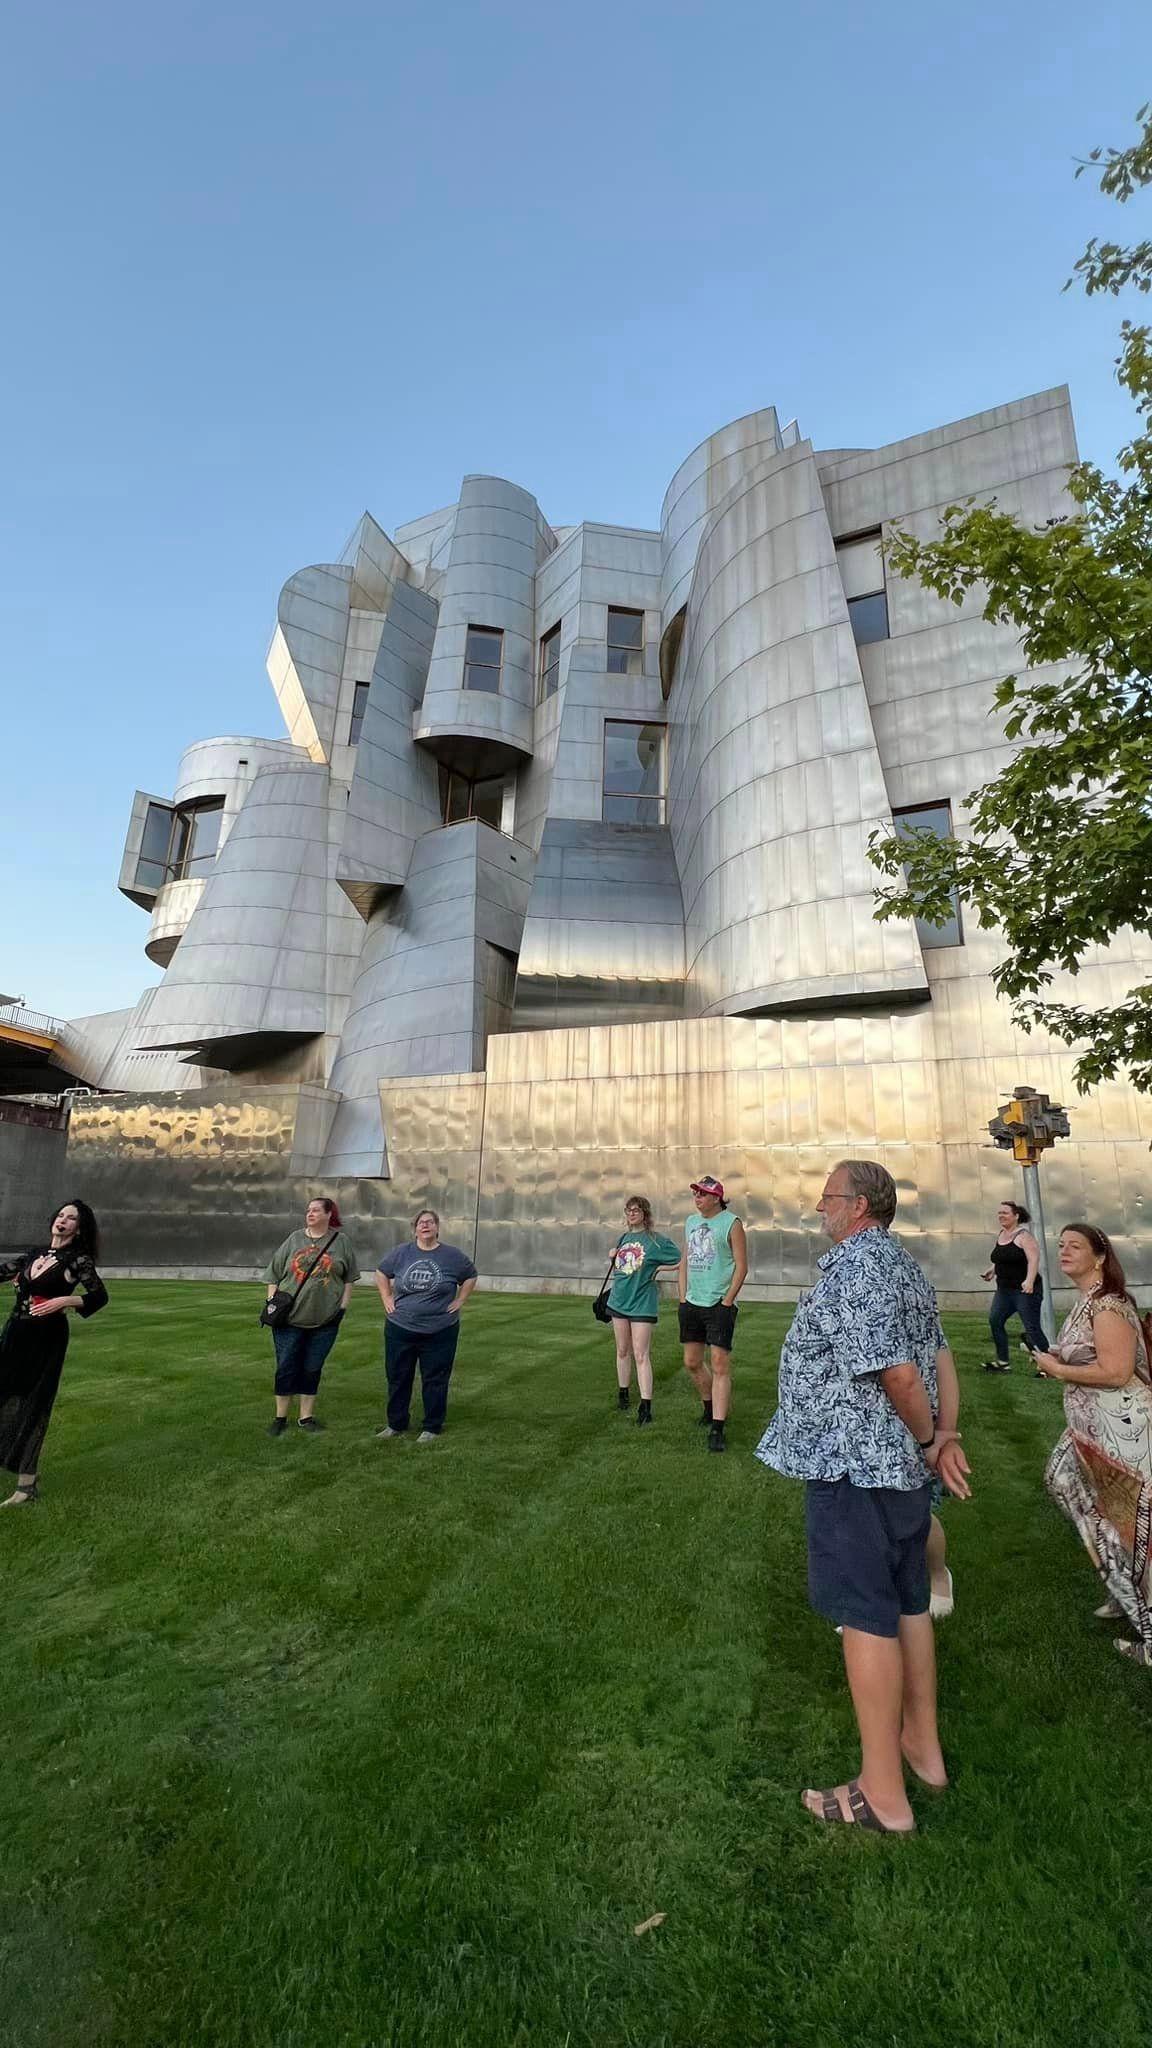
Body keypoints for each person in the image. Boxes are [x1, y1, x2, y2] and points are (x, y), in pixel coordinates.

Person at [755, 1160, 972, 1834]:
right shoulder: (903, 1266)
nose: (820, 1206)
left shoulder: (857, 1267)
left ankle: (882, 1795)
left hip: (857, 1468)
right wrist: (941, 1438)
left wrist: (930, 1434)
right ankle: (922, 1751)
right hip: (898, 1469)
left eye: (827, 1196)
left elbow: (902, 1375)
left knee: (867, 1614)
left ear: (858, 1206)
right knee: (909, 1600)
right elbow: (940, 1357)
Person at [1034, 1222, 1152, 1667]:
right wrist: (1058, 1359)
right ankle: (1122, 1587)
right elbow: (1091, 1356)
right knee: (1068, 1485)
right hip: (1093, 1429)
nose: (1063, 1251)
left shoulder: (1108, 1304)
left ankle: (1144, 1620)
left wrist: (1060, 1369)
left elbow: (1117, 1372)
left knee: (1131, 1528)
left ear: (1099, 1255)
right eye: (1060, 1245)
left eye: (1074, 1245)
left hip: (1124, 1433)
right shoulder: (1086, 1302)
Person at [0, 1199, 108, 1506]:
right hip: (15, 1333)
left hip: (46, 1338)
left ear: (79, 1228)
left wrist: (64, 1302)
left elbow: (99, 1296)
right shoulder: (34, 1254)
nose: (62, 1221)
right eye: (60, 1215)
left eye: (71, 1218)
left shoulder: (78, 1260)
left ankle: (25, 1487)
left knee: (34, 1405)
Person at [376, 1210, 477, 1442]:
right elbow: (381, 1273)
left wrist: (460, 1300)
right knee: (398, 1377)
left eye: (430, 1222)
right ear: (415, 1229)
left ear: (437, 1227)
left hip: (440, 1330)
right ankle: (396, 1424)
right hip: (400, 1327)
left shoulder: (452, 1255)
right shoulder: (402, 1253)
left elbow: (471, 1275)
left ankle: (432, 1426)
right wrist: (387, 1297)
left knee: (435, 1379)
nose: (425, 1226)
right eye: (421, 1223)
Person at [263, 1198, 360, 1435]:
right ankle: (280, 1418)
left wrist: (342, 1310)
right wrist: (272, 1304)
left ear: (329, 1214)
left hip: (325, 1321)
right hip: (289, 1319)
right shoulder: (295, 1238)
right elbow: (274, 1274)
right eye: (308, 1210)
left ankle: (306, 1418)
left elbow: (349, 1279)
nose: (310, 1213)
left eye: (316, 1210)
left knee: (312, 1367)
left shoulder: (341, 1242)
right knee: (286, 1367)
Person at [678, 1175, 747, 1454]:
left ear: (716, 1198)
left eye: (703, 1194)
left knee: (719, 1365)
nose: (698, 1199)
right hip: (692, 1303)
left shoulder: (732, 1223)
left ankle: (717, 1427)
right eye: (695, 1194)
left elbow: (741, 1267)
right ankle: (708, 1408)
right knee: (692, 1362)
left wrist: (727, 1302)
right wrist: (682, 1297)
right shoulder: (691, 1223)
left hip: (718, 1304)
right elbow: (685, 1261)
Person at [605, 1196, 681, 1426]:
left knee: (641, 1353)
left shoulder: (656, 1241)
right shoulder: (624, 1237)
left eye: (636, 1210)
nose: (631, 1214)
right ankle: (623, 1393)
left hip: (641, 1303)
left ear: (645, 1214)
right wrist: (613, 1255)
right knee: (622, 1350)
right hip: (619, 1300)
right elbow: (623, 1267)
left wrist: (659, 1268)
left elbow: (681, 1259)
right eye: (628, 1210)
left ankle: (646, 1406)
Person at [981, 1200, 1049, 1372]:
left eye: (1005, 1213)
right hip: (1004, 1290)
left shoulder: (1024, 1236)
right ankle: (1003, 1362)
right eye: (999, 1213)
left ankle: (1048, 1366)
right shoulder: (1002, 1235)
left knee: (1032, 1327)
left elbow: (1033, 1259)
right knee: (995, 1320)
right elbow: (1003, 1258)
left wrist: (1029, 1281)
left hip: (1024, 1291)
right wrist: (992, 1270)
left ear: (1016, 1216)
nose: (1001, 1216)